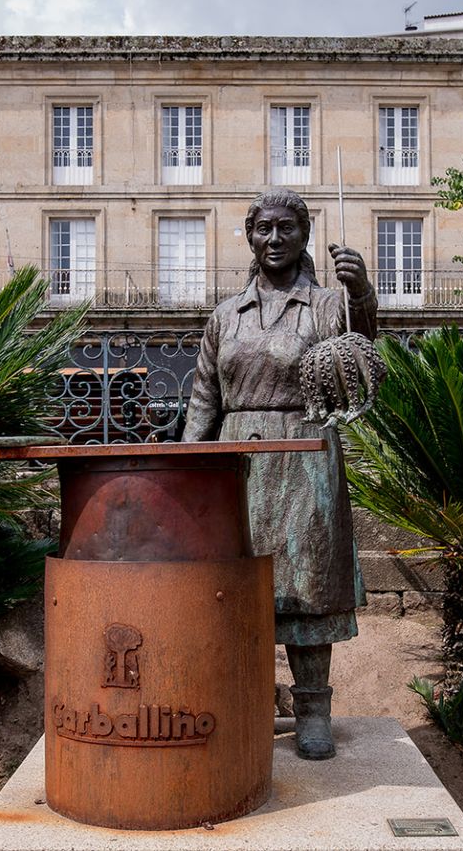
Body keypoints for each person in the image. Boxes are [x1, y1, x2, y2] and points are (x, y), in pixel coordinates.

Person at [182, 188, 377, 760]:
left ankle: (313, 711)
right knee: (236, 585)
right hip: (237, 460)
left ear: (303, 235)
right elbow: (204, 396)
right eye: (263, 228)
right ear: (250, 236)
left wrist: (361, 292)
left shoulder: (326, 306)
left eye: (286, 228)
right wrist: (189, 464)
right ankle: (248, 704)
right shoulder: (226, 315)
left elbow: (361, 346)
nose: (274, 238)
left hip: (304, 455)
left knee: (307, 585)